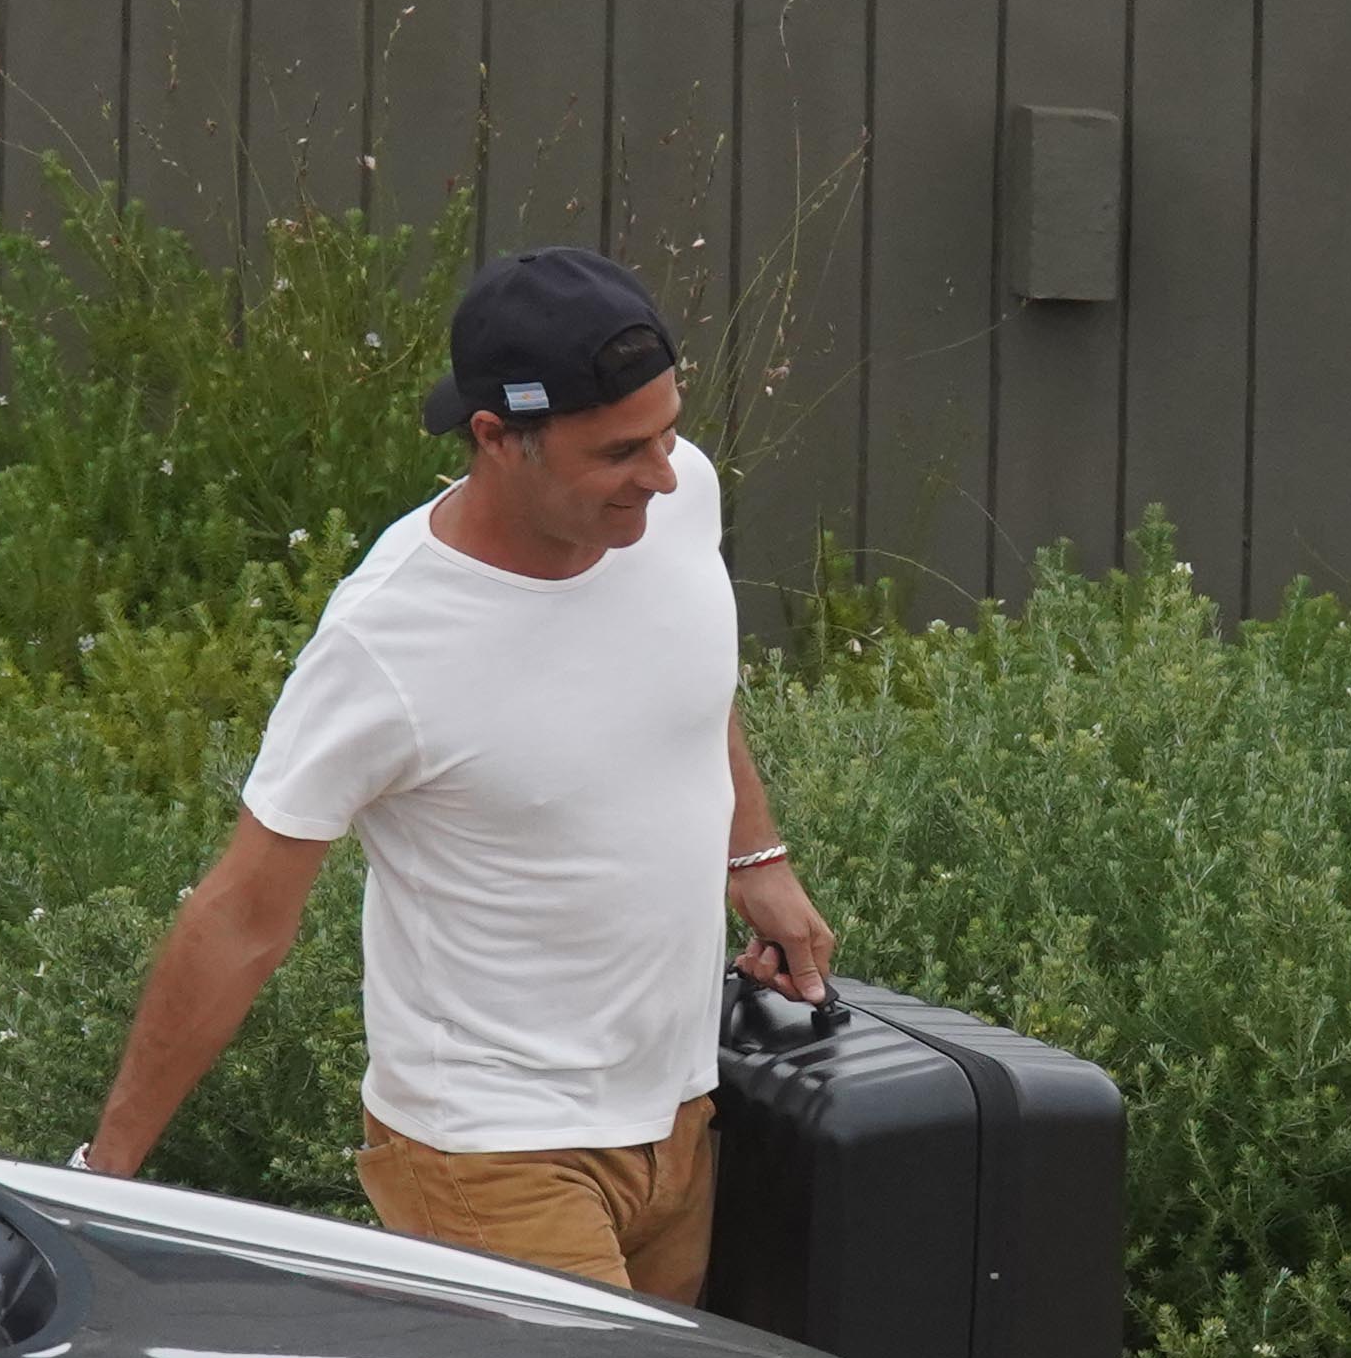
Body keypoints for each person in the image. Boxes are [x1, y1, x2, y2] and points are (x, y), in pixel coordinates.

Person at [69, 246, 836, 1302]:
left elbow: (688, 687)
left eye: (668, 429)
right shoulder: (387, 644)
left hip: (677, 1112)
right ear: (496, 438)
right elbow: (241, 915)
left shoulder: (672, 499)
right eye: (621, 450)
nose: (661, 472)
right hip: (493, 1155)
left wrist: (757, 853)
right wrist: (103, 1180)